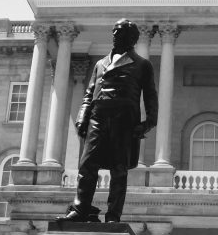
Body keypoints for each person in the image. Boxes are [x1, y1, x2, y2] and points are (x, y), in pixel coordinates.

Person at [59, 19, 158, 223]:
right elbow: (89, 94)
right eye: (114, 31)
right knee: (87, 165)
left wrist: (147, 123)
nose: (114, 35)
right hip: (98, 118)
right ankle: (80, 209)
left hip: (124, 121)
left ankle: (113, 215)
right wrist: (81, 118)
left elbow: (150, 97)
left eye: (119, 32)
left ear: (131, 38)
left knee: (118, 170)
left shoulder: (142, 65)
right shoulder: (100, 63)